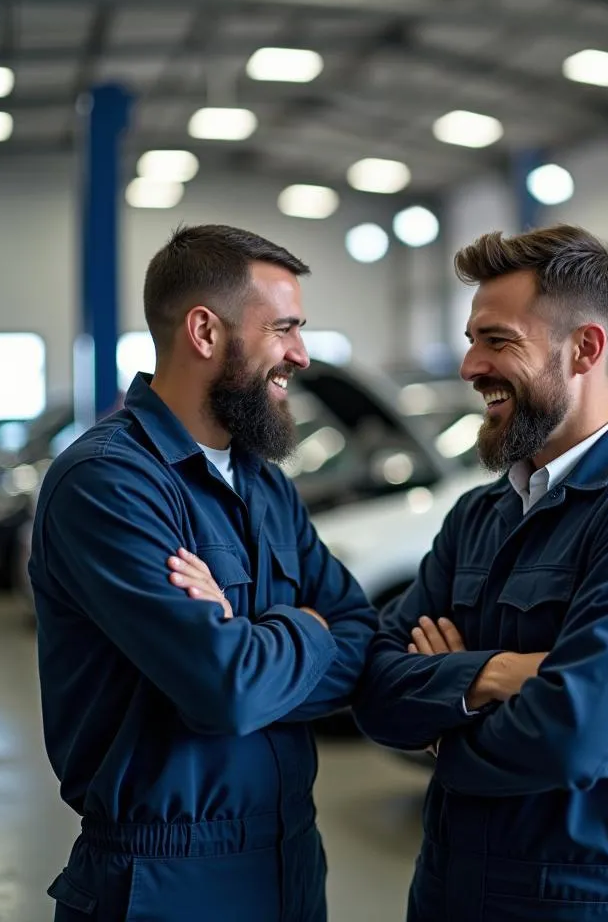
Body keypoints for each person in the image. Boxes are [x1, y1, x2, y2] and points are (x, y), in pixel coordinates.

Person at [354, 225, 608, 922]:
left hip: (587, 897)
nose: (471, 366)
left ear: (585, 348)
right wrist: (500, 672)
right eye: (472, 340)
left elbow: (573, 737)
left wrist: (441, 728)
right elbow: (375, 691)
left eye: (497, 341)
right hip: (445, 885)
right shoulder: (477, 516)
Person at [28, 224, 378, 922]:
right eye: (283, 328)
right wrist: (305, 626)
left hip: (289, 862)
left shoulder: (264, 484)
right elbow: (229, 691)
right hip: (165, 879)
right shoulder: (109, 484)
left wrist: (255, 637)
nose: (301, 355)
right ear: (205, 332)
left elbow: (362, 640)